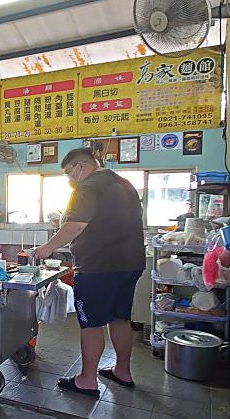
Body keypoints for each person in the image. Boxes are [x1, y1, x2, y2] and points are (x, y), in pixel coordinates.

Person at [32, 148, 146, 397]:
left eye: (68, 174)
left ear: (80, 167)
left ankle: (87, 380)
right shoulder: (124, 184)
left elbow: (75, 225)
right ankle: (122, 372)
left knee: (91, 323)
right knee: (120, 318)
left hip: (98, 267)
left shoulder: (87, 188)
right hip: (131, 264)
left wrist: (46, 248)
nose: (69, 180)